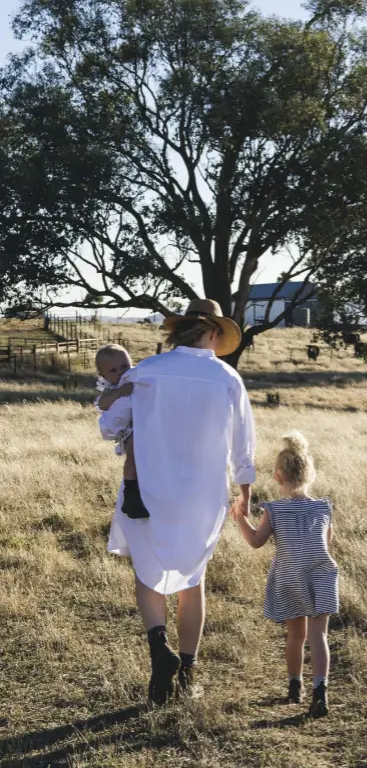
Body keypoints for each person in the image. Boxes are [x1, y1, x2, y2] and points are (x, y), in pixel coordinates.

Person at [99, 299, 256, 704]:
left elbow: (112, 419)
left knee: (148, 573)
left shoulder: (146, 370)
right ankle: (187, 672)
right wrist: (245, 494)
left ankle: (158, 656)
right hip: (202, 495)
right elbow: (243, 446)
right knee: (193, 580)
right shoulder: (226, 377)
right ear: (215, 333)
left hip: (148, 488)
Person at [232, 431, 338, 718]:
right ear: (309, 474)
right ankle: (320, 690)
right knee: (320, 636)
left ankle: (295, 686)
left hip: (290, 576)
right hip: (322, 575)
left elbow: (256, 541)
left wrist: (239, 517)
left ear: (277, 476)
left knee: (296, 635)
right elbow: (326, 543)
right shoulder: (324, 506)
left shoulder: (275, 510)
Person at [95, 344, 149, 519]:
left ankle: (146, 488)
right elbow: (102, 404)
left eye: (124, 366)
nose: (120, 372)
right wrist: (118, 392)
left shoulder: (137, 377)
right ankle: (131, 492)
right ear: (103, 375)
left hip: (143, 423)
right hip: (128, 429)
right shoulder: (112, 389)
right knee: (133, 452)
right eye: (113, 370)